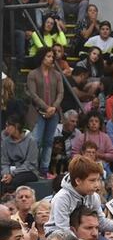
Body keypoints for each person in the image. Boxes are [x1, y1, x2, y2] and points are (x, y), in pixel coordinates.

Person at [44, 155, 113, 235]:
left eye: (98, 180)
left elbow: (101, 223)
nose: (97, 185)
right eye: (92, 180)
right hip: (58, 236)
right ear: (78, 181)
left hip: (85, 235)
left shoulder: (94, 196)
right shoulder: (62, 198)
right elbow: (63, 230)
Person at [26, 47, 63, 178]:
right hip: (37, 113)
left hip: (53, 113)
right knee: (36, 141)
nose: (51, 59)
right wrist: (46, 107)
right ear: (42, 57)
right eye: (48, 56)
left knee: (48, 141)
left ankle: (44, 168)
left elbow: (60, 93)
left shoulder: (57, 74)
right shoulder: (33, 74)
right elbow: (33, 94)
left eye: (52, 57)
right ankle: (33, 167)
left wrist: (53, 107)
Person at [1, 117, 39, 192]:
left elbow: (30, 163)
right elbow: (4, 162)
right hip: (10, 170)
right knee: (3, 180)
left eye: (8, 126)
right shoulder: (6, 141)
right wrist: (6, 174)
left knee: (15, 181)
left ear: (16, 126)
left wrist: (12, 174)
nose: (6, 129)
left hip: (28, 170)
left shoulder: (31, 140)